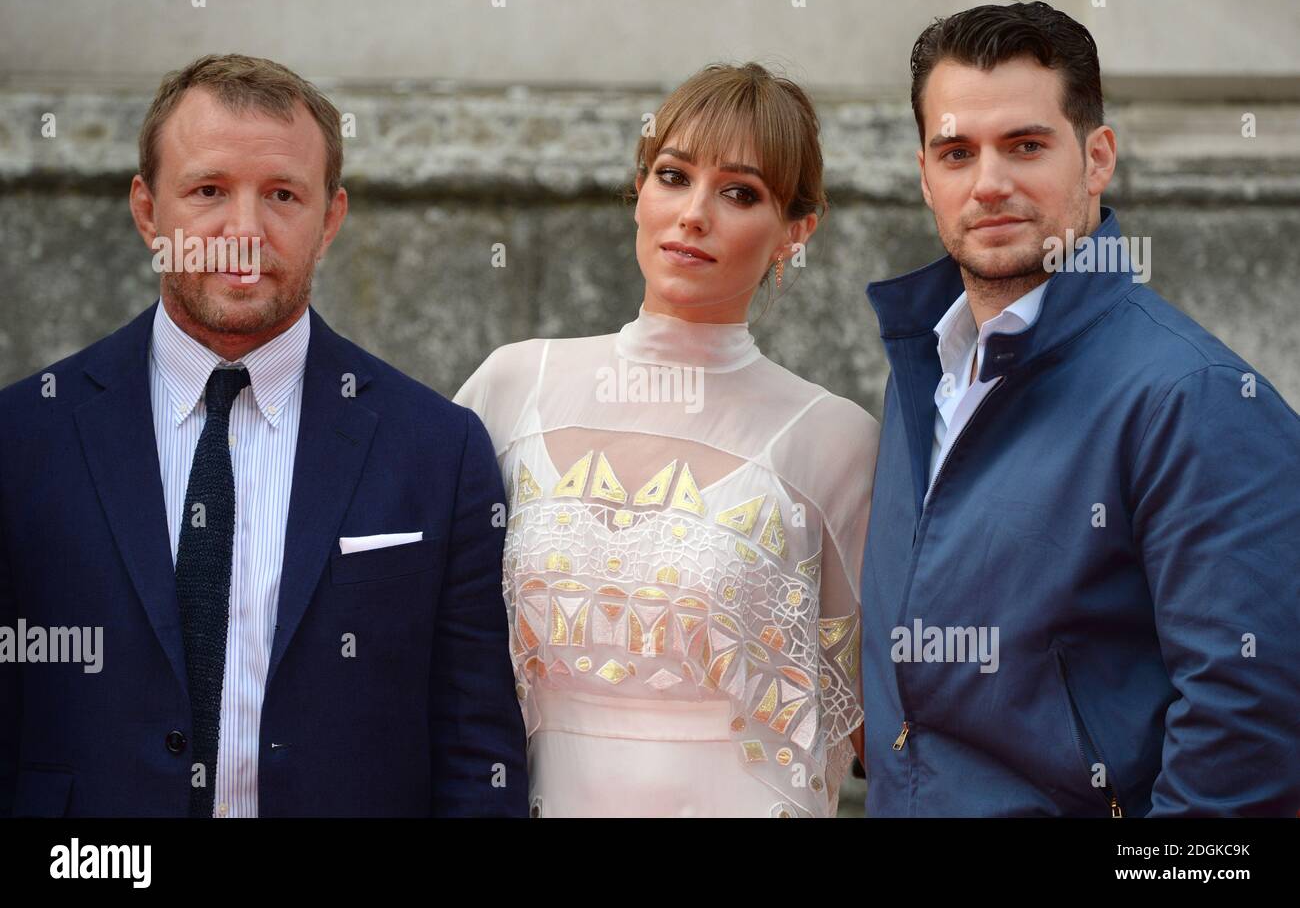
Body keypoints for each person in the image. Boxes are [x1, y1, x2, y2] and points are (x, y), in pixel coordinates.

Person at [0, 53, 526, 817]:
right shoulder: (23, 440)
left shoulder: (438, 451)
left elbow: (478, 754)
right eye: (209, 190)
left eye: (282, 194)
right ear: (148, 211)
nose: (243, 231)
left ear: (331, 218)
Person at [861, 2, 1300, 816]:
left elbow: (1253, 718)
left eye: (1026, 145)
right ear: (925, 175)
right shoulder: (921, 368)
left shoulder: (1194, 397)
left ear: (1097, 158)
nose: (988, 182)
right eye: (956, 152)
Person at [455, 63, 878, 817]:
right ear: (639, 194)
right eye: (673, 176)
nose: (694, 214)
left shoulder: (836, 440)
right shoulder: (510, 388)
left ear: (795, 231)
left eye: (740, 192)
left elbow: (887, 721)